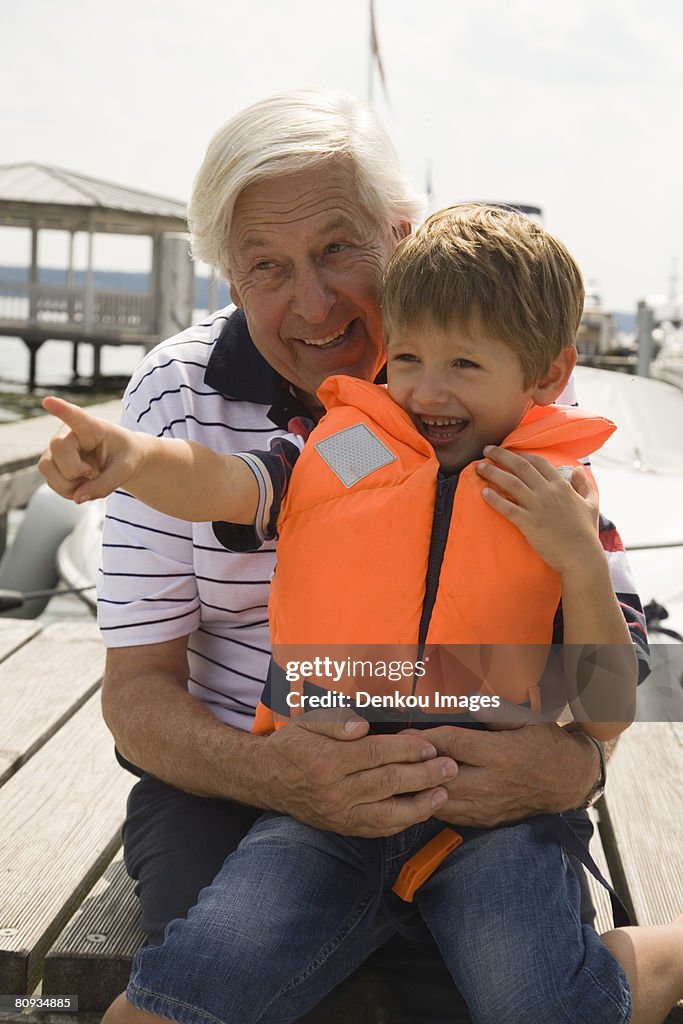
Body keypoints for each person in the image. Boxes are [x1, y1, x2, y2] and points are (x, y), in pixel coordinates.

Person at [39, 91, 648, 1023]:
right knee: (207, 986)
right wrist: (130, 459)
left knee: (529, 1000)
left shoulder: (550, 484)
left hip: (485, 803)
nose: (425, 392)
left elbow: (607, 701)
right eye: (407, 362)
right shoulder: (367, 443)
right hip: (288, 784)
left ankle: (654, 960)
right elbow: (243, 485)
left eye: (338, 250)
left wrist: (572, 583)